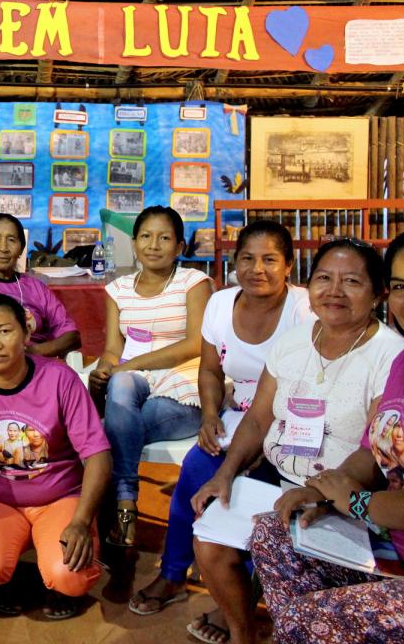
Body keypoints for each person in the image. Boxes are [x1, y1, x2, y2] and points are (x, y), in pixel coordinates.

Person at [251, 225, 404, 644]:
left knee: (306, 620)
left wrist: (356, 503)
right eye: (402, 286)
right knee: (274, 531)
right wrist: (319, 490)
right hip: (397, 545)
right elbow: (374, 444)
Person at [189, 237, 404, 644]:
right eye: (324, 278)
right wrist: (226, 473)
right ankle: (243, 632)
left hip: (348, 495)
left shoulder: (392, 356)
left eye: (352, 282)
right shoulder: (292, 343)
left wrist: (319, 492)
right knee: (210, 538)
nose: (334, 291)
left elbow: (375, 450)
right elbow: (257, 420)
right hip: (280, 476)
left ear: (378, 293)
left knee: (297, 554)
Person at [127, 221, 314, 629]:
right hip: (235, 414)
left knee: (258, 487)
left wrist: (259, 446)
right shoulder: (220, 304)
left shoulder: (303, 308)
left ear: (288, 265)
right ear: (233, 262)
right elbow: (210, 371)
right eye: (247, 258)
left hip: (291, 422)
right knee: (195, 470)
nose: (257, 269)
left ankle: (241, 598)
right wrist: (210, 415)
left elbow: (306, 385)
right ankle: (173, 574)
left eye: (269, 259)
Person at [0, 295, 110, 620]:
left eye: (5, 331)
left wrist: (80, 521)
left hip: (60, 497)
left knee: (69, 576)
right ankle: (16, 577)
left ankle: (54, 579)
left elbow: (97, 455)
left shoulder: (59, 379)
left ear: (25, 334)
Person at [90, 206, 213, 547]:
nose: (154, 245)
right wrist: (106, 366)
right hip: (132, 383)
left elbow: (195, 345)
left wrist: (129, 364)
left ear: (180, 246)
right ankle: (126, 503)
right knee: (119, 383)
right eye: (145, 236)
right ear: (133, 242)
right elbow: (114, 349)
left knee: (107, 434)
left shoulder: (194, 283)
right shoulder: (119, 289)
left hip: (184, 386)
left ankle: (124, 505)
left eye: (164, 238)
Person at [0, 213, 81, 359]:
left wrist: (31, 353)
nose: (3, 248)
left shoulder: (36, 288)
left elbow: (71, 336)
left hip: (33, 367)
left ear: (21, 248)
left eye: (11, 240)